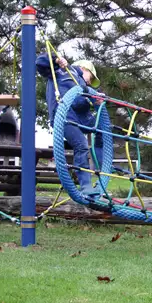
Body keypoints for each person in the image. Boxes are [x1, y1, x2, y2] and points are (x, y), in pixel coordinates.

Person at [36, 54, 103, 196]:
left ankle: (103, 167)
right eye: (90, 78)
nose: (90, 83)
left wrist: (95, 100)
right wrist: (55, 59)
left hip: (80, 117)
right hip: (64, 116)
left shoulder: (82, 85)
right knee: (81, 145)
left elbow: (80, 104)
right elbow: (40, 63)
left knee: (103, 127)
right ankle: (85, 186)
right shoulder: (61, 71)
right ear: (84, 69)